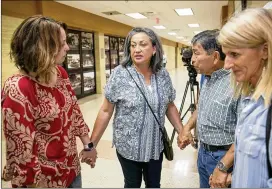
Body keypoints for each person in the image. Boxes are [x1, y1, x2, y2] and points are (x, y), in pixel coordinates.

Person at [1, 15, 97, 188]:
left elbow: (74, 112)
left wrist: (88, 145)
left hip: (72, 170)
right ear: (41, 47)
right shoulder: (18, 88)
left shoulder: (60, 73)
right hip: (44, 181)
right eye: (62, 43)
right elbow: (21, 153)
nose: (67, 47)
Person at [88, 27, 183, 188]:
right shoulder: (120, 74)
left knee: (154, 184)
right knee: (132, 184)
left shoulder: (162, 74)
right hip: (128, 146)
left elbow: (169, 105)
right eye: (133, 45)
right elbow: (105, 110)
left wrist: (182, 131)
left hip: (155, 146)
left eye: (142, 44)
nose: (137, 49)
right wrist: (91, 145)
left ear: (154, 49)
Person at [218, 8, 272, 188]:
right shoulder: (249, 99)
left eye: (234, 54)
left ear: (264, 51)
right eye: (226, 54)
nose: (226, 65)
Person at [177, 30, 239, 188]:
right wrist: (187, 127)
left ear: (216, 57)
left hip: (224, 158)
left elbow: (244, 135)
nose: (192, 60)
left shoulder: (237, 84)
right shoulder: (208, 77)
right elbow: (201, 107)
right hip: (203, 152)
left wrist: (223, 166)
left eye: (197, 54)